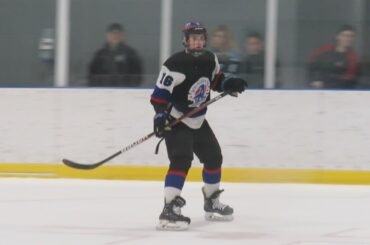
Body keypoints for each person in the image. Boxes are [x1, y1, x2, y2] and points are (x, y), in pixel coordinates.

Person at [150, 22, 247, 230]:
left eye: (200, 37)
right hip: (177, 119)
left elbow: (215, 80)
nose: (197, 41)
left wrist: (228, 84)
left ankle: (211, 201)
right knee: (181, 160)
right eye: (193, 38)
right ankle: (169, 209)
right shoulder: (174, 64)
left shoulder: (210, 59)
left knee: (214, 157)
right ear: (185, 40)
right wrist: (160, 117)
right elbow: (159, 96)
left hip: (198, 119)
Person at [88, 23, 143, 87]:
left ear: (123, 36)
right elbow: (92, 76)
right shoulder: (100, 55)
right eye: (112, 34)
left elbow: (137, 76)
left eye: (118, 34)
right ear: (107, 35)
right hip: (103, 92)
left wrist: (129, 89)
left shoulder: (130, 54)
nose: (115, 36)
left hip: (125, 93)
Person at [307, 25, 360, 89]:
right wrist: (314, 80)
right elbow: (311, 65)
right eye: (344, 35)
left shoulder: (353, 58)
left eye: (351, 36)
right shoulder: (324, 49)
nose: (347, 39)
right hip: (316, 89)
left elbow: (348, 80)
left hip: (337, 92)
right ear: (337, 36)